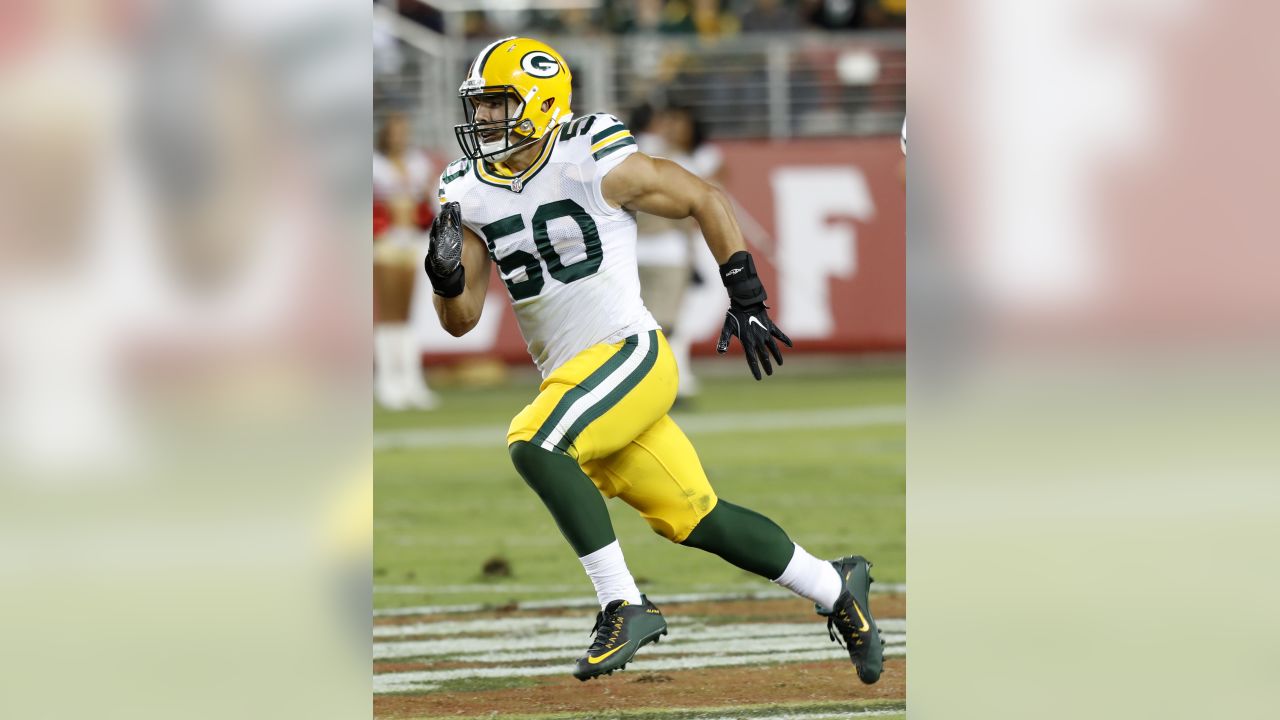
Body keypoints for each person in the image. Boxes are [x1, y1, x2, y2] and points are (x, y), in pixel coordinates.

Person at [425, 37, 883, 685]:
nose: (485, 120)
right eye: (480, 106)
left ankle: (623, 603)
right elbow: (461, 319)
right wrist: (444, 279)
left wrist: (745, 293)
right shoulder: (463, 187)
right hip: (574, 378)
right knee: (697, 517)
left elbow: (703, 197)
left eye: (499, 104)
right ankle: (836, 586)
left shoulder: (588, 155)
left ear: (541, 101)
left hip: (627, 352)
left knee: (534, 442)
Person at [373, 111, 438, 410]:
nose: (400, 136)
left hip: (411, 241)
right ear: (385, 134)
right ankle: (387, 381)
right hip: (384, 242)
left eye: (404, 130)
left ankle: (411, 380)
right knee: (389, 313)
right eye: (395, 131)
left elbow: (427, 202)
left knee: (408, 314)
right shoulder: (375, 165)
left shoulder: (417, 163)